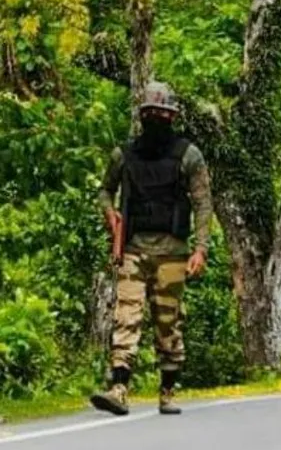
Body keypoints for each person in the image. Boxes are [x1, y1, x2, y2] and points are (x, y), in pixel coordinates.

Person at [91, 81, 213, 416]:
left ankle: (168, 390)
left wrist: (200, 249)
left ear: (172, 117)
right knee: (125, 317)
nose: (156, 118)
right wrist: (109, 212)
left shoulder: (188, 155)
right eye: (150, 113)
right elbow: (105, 190)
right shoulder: (125, 155)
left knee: (167, 323)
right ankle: (119, 388)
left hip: (172, 252)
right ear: (142, 116)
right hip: (132, 249)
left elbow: (203, 203)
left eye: (162, 113)